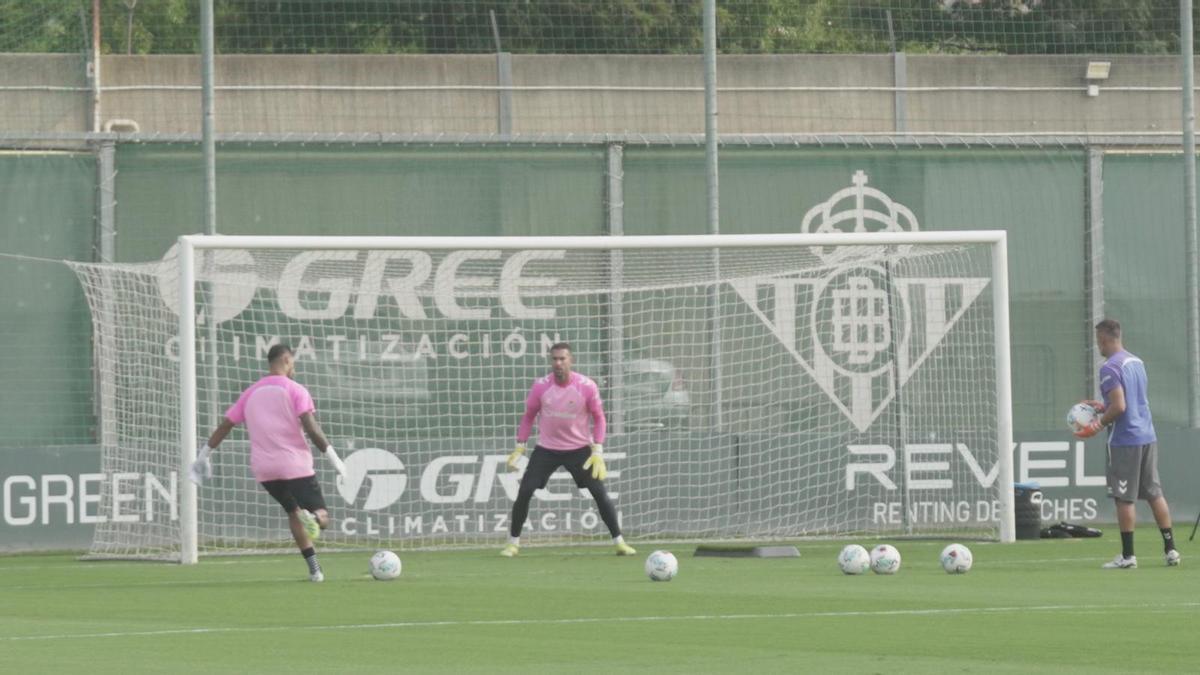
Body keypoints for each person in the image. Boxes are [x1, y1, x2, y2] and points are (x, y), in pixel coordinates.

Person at [189, 343, 347, 581]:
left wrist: (203, 455)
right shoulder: (295, 390)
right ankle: (313, 518)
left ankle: (315, 570)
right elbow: (312, 428)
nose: (294, 367)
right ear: (285, 360)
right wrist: (335, 459)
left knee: (293, 512)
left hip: (265, 470)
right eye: (292, 362)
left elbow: (225, 425)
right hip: (295, 465)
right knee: (321, 517)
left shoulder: (250, 392)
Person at [501, 342, 635, 557]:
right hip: (547, 449)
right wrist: (520, 445)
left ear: (571, 360)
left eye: (563, 359)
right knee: (525, 491)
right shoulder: (541, 386)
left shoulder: (587, 386)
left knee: (599, 492)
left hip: (579, 449)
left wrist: (597, 450)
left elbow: (599, 418)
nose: (558, 363)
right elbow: (528, 416)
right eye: (554, 359)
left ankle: (619, 542)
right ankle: (513, 543)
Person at [1075, 319, 1180, 569]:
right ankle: (1171, 550)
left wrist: (1097, 425)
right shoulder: (1136, 361)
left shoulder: (1109, 367)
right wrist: (1103, 406)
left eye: (1098, 341)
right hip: (1147, 435)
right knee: (1155, 493)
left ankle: (1128, 556)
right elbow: (1130, 400)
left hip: (1125, 440)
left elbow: (1121, 406)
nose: (1097, 345)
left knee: (1124, 498)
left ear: (1104, 339)